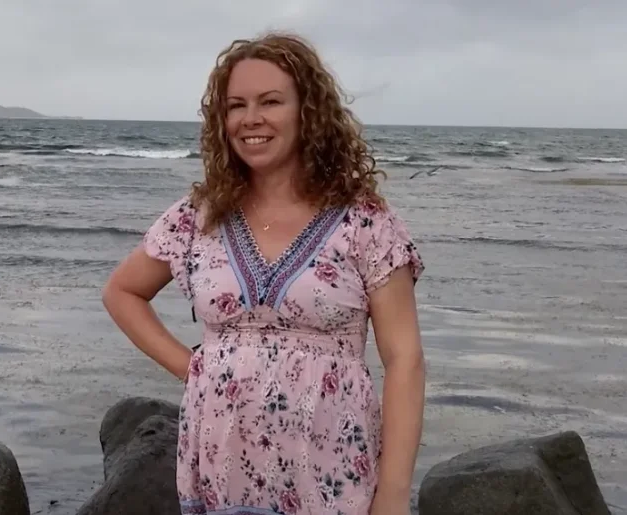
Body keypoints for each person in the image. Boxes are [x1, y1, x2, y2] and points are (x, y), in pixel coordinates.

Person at [101, 31, 426, 515]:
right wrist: (192, 367)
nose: (251, 119)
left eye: (270, 101)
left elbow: (405, 362)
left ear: (307, 112)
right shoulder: (199, 216)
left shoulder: (365, 221)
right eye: (236, 105)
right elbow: (123, 292)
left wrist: (394, 495)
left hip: (331, 473)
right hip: (221, 468)